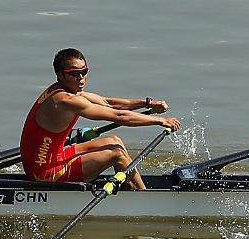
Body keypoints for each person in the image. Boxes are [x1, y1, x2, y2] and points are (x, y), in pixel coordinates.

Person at [20, 48, 181, 190]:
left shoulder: (65, 90)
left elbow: (107, 103)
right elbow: (119, 116)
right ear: (60, 74)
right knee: (116, 153)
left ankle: (128, 188)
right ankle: (144, 200)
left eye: (84, 71)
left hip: (54, 158)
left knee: (115, 141)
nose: (81, 78)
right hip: (45, 174)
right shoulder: (66, 101)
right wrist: (161, 121)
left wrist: (148, 104)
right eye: (74, 74)